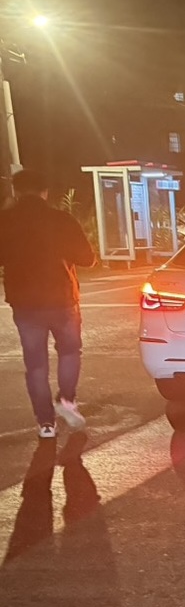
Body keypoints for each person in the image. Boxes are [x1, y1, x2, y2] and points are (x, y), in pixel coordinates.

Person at [0, 169, 96, 438]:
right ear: (45, 191)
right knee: (69, 352)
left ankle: (45, 424)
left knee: (36, 364)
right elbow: (88, 258)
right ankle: (66, 400)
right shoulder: (61, 219)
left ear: (17, 191)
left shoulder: (5, 221)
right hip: (61, 298)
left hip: (25, 303)